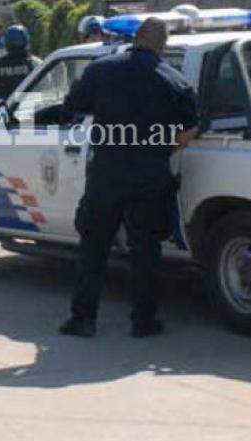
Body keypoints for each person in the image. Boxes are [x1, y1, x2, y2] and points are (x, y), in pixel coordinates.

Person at [59, 17, 199, 339]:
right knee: (145, 251)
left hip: (106, 174)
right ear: (163, 46)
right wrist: (163, 149)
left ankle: (83, 320)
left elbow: (72, 106)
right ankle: (143, 322)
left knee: (93, 249)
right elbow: (191, 127)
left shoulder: (101, 69)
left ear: (135, 38)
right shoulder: (175, 81)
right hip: (149, 177)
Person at [0, 24, 42, 102]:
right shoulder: (36, 64)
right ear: (26, 41)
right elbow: (48, 90)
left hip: (6, 112)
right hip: (31, 111)